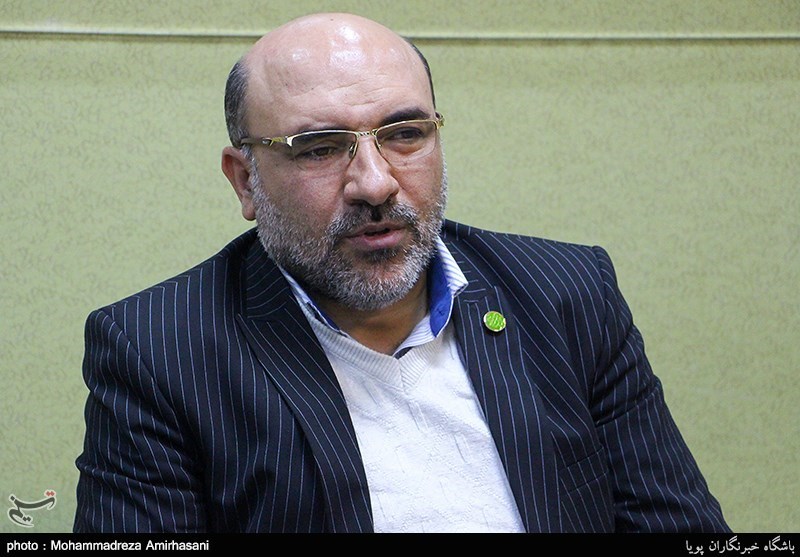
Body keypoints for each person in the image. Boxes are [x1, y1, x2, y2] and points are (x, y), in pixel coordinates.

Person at [74, 12, 729, 533]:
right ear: (246, 181)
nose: (375, 182)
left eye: (405, 133)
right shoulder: (158, 349)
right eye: (320, 148)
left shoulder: (566, 292)